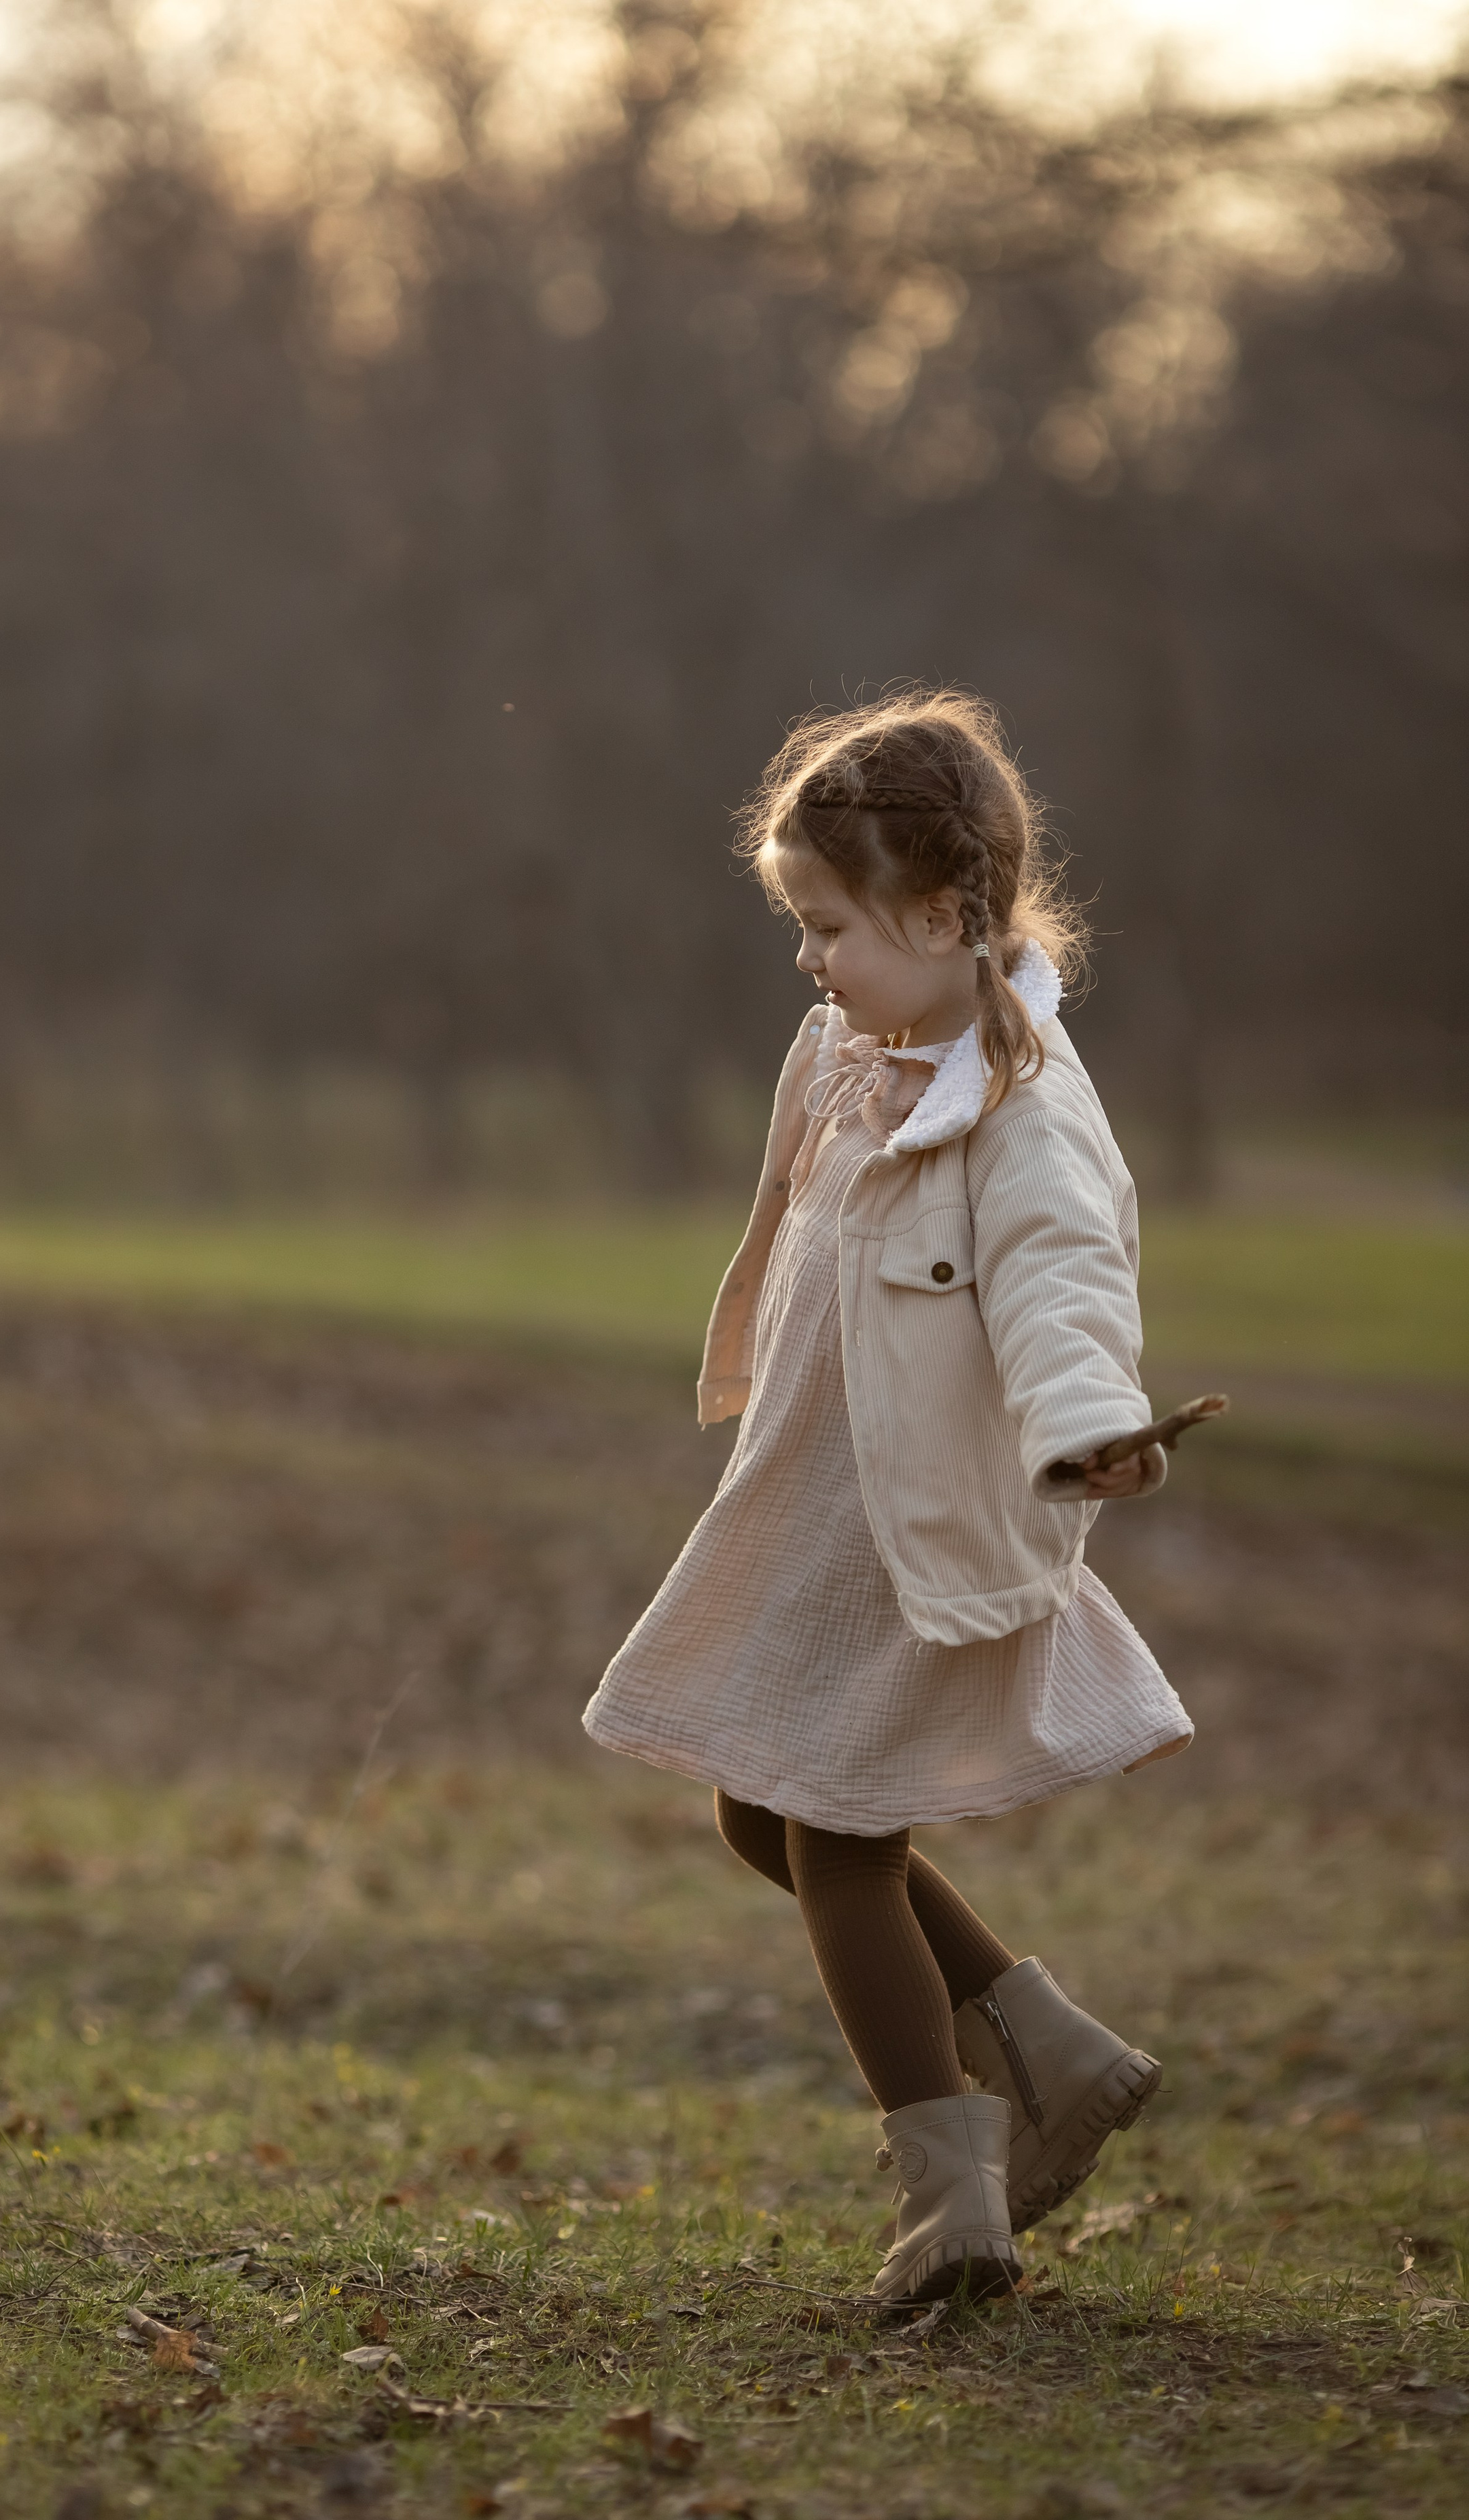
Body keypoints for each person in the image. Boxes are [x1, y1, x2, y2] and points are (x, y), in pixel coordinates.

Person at [583, 690, 1192, 2307]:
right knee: (755, 1804)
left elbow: (1064, 1291)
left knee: (837, 1835)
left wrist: (1093, 1427)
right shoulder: (853, 1046)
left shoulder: (1016, 1103)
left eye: (828, 922)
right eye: (798, 922)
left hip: (902, 1529)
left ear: (942, 913)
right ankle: (1046, 2049)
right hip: (809, 1493)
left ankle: (949, 2192)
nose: (808, 958)